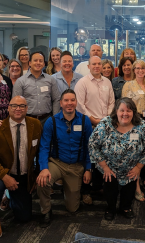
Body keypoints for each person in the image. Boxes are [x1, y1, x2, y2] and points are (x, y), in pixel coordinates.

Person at [0, 96, 43, 238]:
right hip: (1, 174)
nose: (18, 108)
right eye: (14, 106)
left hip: (23, 175)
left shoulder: (35, 125)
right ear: (8, 108)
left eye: (22, 106)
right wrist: (5, 177)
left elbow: (41, 151)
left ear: (27, 108)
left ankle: (9, 197)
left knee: (24, 217)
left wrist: (35, 175)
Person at [88, 98, 145, 221]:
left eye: (128, 111)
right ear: (116, 111)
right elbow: (93, 144)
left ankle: (126, 208)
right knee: (110, 189)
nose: (125, 114)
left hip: (131, 167)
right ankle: (110, 208)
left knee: (129, 191)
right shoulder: (105, 124)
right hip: (109, 167)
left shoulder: (142, 126)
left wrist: (138, 168)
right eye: (122, 110)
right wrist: (105, 167)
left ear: (133, 112)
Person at [36, 89, 93, 227]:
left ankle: (67, 189)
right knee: (42, 181)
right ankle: (46, 211)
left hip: (76, 165)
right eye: (66, 100)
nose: (69, 103)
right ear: (61, 103)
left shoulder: (85, 121)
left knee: (72, 208)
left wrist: (88, 168)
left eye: (72, 100)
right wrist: (43, 168)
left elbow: (90, 147)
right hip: (57, 162)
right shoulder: (51, 121)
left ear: (76, 102)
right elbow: (43, 147)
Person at [74, 56, 115, 205]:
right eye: (94, 64)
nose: (97, 66)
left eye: (99, 64)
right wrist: (94, 120)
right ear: (89, 66)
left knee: (102, 158)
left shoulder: (107, 82)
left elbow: (112, 102)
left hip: (105, 125)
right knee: (89, 158)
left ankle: (97, 187)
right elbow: (80, 106)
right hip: (89, 125)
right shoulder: (82, 83)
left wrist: (105, 120)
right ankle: (85, 191)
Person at [121, 60, 145, 200]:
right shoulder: (128, 85)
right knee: (134, 153)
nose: (140, 70)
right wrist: (132, 123)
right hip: (134, 121)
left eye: (143, 68)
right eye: (137, 68)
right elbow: (124, 106)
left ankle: (142, 177)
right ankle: (136, 186)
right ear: (134, 70)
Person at [13, 51, 61, 122]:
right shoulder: (21, 81)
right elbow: (16, 103)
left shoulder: (50, 80)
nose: (38, 63)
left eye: (40, 61)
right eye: (35, 60)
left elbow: (56, 99)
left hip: (47, 119)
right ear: (30, 63)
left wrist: (55, 119)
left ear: (44, 64)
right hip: (28, 120)